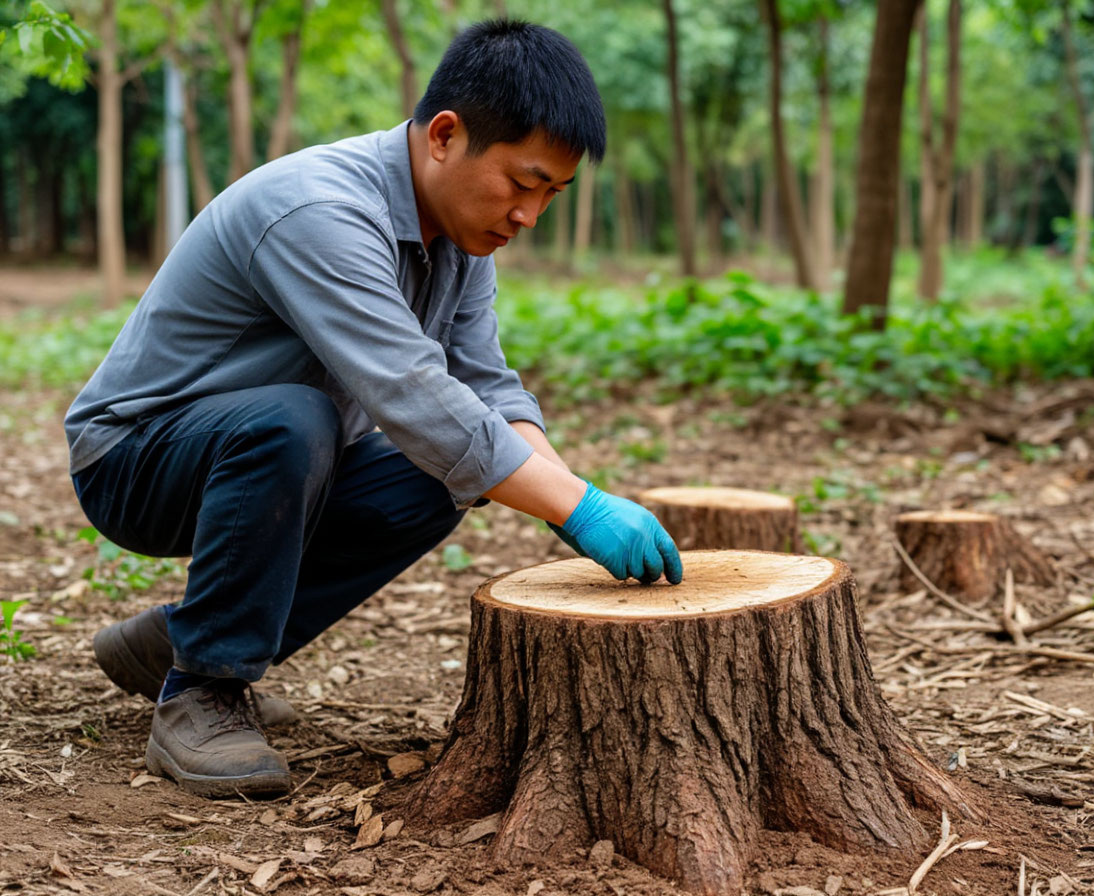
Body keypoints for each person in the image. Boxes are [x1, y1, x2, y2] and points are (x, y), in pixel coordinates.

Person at [65, 20, 681, 800]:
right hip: (137, 458)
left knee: (437, 479)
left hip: (276, 458)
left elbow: (486, 387)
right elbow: (410, 390)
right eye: (522, 184)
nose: (530, 215)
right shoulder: (318, 208)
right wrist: (580, 509)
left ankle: (177, 644)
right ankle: (203, 692)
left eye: (551, 195)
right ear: (446, 136)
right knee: (295, 419)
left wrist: (569, 495)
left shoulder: (462, 236)